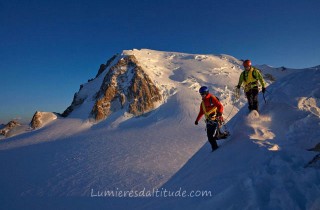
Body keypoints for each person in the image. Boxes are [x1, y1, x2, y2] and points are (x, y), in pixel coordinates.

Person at [194, 86, 224, 152]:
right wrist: (197, 120)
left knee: (216, 135)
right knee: (210, 137)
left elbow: (220, 106)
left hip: (216, 120)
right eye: (201, 94)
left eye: (203, 94)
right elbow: (201, 112)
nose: (202, 95)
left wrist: (220, 113)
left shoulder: (212, 98)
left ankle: (229, 139)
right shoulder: (203, 103)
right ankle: (215, 149)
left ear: (206, 93)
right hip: (209, 122)